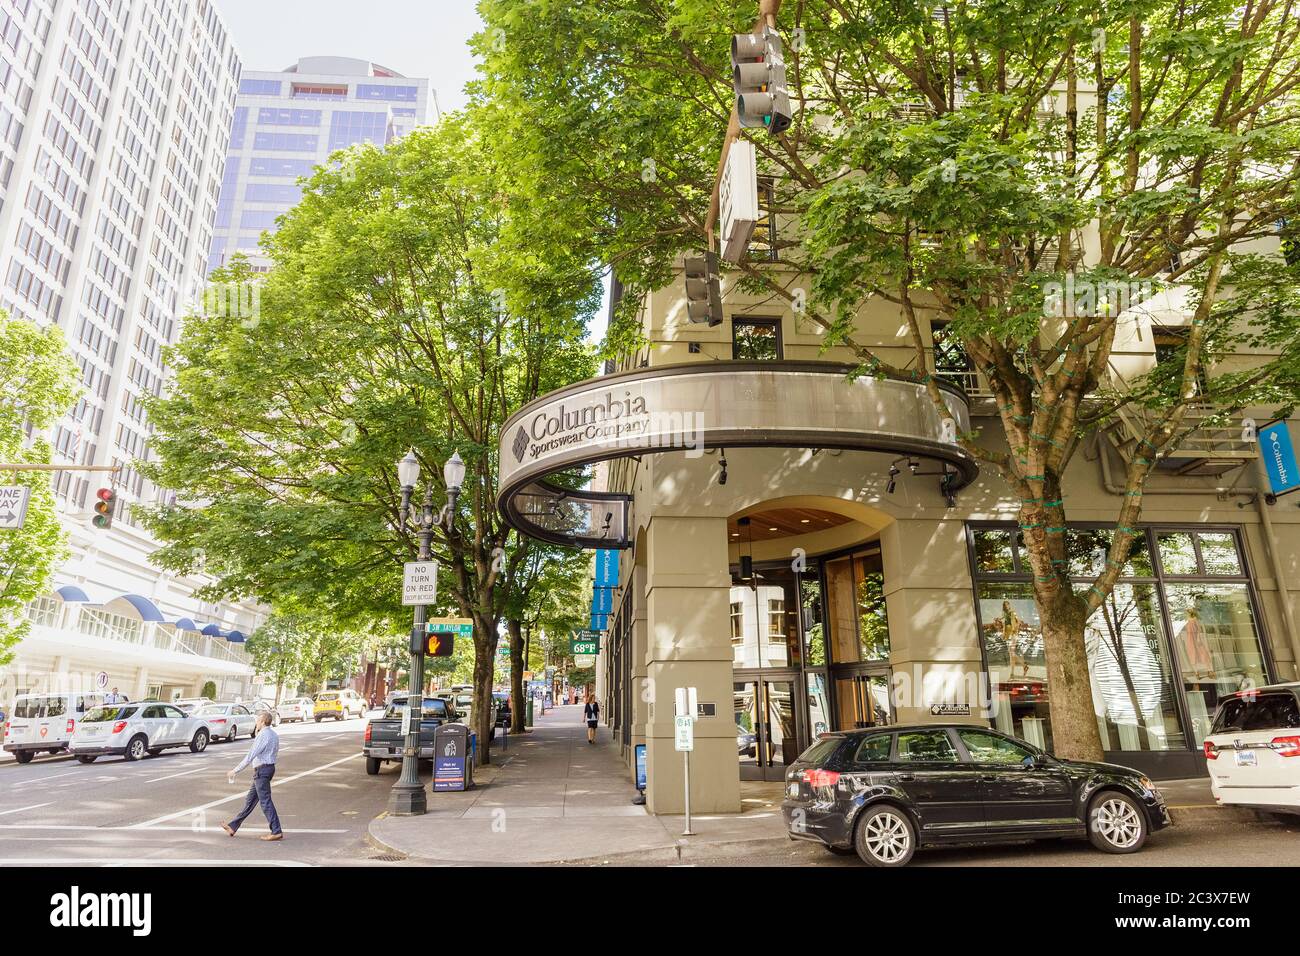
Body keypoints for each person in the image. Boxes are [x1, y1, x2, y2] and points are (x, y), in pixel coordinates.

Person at [222, 711, 283, 841]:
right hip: (268, 769)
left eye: (257, 720)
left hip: (262, 771)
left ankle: (276, 831)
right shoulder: (273, 734)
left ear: (262, 721)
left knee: (265, 801)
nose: (256, 722)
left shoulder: (263, 735)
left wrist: (235, 770)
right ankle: (233, 826)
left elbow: (251, 755)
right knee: (250, 800)